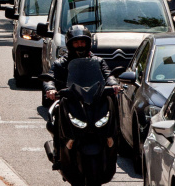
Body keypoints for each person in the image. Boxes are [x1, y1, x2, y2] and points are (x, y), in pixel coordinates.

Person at [42, 25, 120, 169]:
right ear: (70, 44)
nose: (80, 45)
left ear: (88, 43)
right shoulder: (60, 63)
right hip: (70, 99)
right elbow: (50, 78)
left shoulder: (98, 61)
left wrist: (114, 85)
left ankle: (113, 140)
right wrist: (51, 88)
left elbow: (108, 75)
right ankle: (58, 152)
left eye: (82, 42)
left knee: (111, 105)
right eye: (76, 42)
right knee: (56, 115)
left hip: (94, 100)